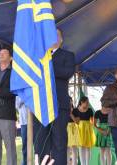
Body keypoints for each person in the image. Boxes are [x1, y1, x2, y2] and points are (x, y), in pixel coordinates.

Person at [33, 29, 75, 165]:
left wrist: (48, 66)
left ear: (61, 40)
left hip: (59, 105)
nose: (54, 37)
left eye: (57, 35)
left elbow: (67, 72)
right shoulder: (39, 57)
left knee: (59, 141)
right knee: (40, 142)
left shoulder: (68, 55)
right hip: (41, 105)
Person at [73, 96, 95, 165]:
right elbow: (75, 121)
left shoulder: (90, 110)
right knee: (81, 148)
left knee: (88, 148)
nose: (88, 104)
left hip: (88, 130)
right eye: (87, 102)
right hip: (79, 131)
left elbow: (92, 121)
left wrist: (92, 124)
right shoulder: (75, 110)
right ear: (82, 102)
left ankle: (87, 164)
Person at [15, 96, 28, 165]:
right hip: (24, 123)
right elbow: (17, 105)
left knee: (37, 144)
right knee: (24, 145)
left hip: (34, 122)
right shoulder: (18, 94)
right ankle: (25, 162)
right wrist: (25, 97)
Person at [67, 97, 79, 165]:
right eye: (68, 101)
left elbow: (77, 122)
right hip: (66, 129)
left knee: (74, 147)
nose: (69, 102)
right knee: (67, 147)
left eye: (70, 101)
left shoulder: (76, 110)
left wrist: (71, 114)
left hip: (74, 129)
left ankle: (75, 163)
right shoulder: (64, 110)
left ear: (72, 101)